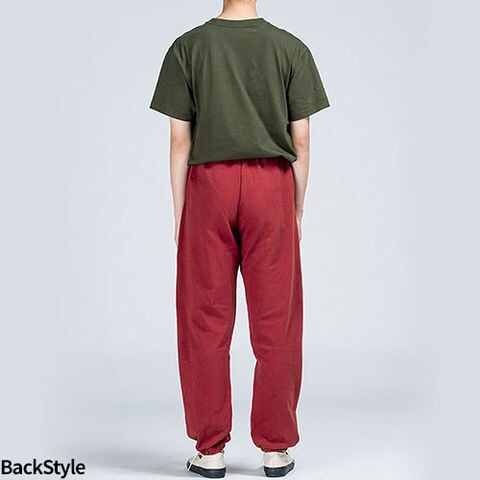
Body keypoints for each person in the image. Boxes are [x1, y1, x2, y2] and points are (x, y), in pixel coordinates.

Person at [149, 0, 329, 477]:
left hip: (208, 187)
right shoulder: (290, 49)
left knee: (204, 319)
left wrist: (181, 212)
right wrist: (296, 206)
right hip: (271, 187)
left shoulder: (188, 47)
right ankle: (275, 448)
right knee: (277, 320)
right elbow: (301, 141)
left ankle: (210, 450)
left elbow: (180, 142)